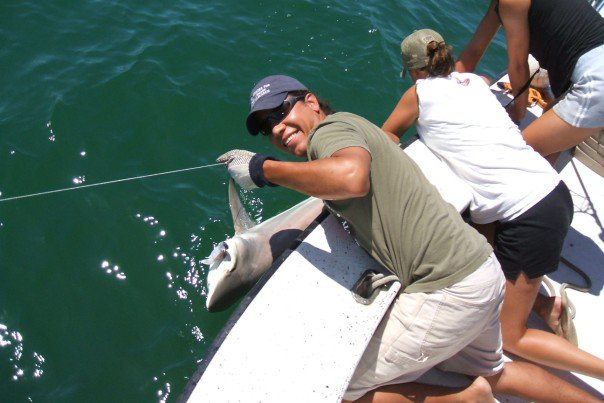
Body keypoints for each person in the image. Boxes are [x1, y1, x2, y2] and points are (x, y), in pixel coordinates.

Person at [217, 74, 599, 402]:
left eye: (281, 112)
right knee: (498, 371)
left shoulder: (329, 132)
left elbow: (351, 178)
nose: (278, 128)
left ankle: (468, 397)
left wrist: (265, 169)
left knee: (333, 388)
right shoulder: (354, 128)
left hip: (448, 288)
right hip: (483, 269)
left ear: (311, 103)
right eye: (268, 127)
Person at [382, 28, 604, 383]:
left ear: (414, 70)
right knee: (484, 268)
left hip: (528, 215)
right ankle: (546, 306)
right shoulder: (476, 81)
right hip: (551, 194)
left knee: (512, 336)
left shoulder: (418, 93)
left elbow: (387, 136)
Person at [456, 0, 604, 164]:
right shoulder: (502, 5)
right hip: (594, 69)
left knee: (517, 156)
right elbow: (473, 53)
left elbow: (518, 65)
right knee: (551, 117)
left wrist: (518, 112)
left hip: (598, 80)